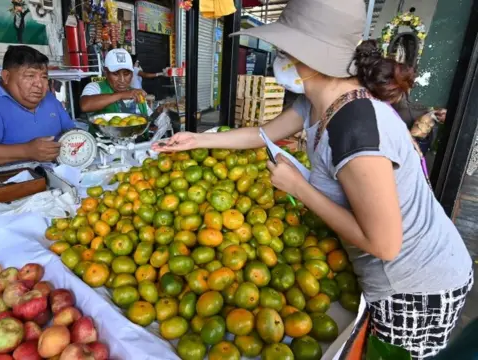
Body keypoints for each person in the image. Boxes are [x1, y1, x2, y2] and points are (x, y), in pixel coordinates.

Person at [153, 0, 472, 358]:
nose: (277, 57)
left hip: (417, 285)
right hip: (392, 275)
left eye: (283, 49)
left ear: (310, 57)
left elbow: (385, 245)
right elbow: (262, 134)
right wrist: (197, 140)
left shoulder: (356, 128)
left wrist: (299, 188)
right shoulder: (319, 102)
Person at [0, 45, 75, 166]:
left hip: (58, 176)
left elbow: (71, 132)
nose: (39, 85)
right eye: (30, 76)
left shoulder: (50, 99)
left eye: (44, 77)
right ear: (6, 77)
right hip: (7, 182)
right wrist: (27, 151)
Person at [79, 48, 151, 116]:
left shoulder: (136, 94)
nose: (122, 80)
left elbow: (151, 122)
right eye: (115, 74)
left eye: (126, 74)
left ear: (132, 74)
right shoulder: (95, 87)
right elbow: (85, 105)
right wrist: (122, 95)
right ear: (106, 72)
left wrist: (158, 112)